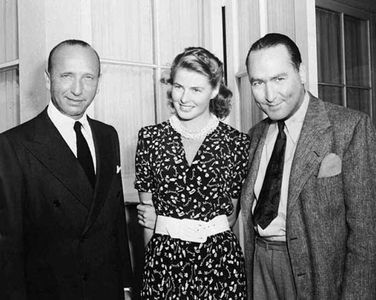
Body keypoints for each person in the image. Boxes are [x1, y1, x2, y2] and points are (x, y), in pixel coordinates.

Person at [241, 32, 376, 299]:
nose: (269, 95)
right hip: (259, 265)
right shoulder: (254, 135)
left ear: (300, 72)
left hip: (316, 275)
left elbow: (366, 235)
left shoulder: (350, 127)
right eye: (258, 82)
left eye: (279, 79)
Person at [0, 39, 133, 300]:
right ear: (48, 79)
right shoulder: (12, 145)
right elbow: (7, 246)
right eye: (66, 76)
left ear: (99, 81)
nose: (77, 89)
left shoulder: (108, 135)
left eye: (88, 78)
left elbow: (115, 222)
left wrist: (125, 285)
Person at [134, 47, 250, 299]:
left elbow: (229, 216)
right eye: (178, 87)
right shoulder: (150, 138)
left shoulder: (236, 142)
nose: (184, 98)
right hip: (163, 263)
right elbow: (148, 217)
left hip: (220, 264)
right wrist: (153, 269)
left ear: (215, 89)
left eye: (196, 89)